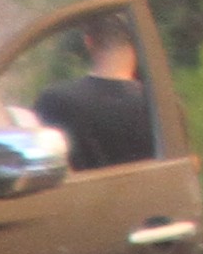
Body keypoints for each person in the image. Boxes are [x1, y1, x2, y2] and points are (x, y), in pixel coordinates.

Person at [28, 13, 159, 169]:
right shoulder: (163, 105)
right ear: (137, 45)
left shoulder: (56, 101)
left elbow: (38, 166)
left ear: (88, 42)